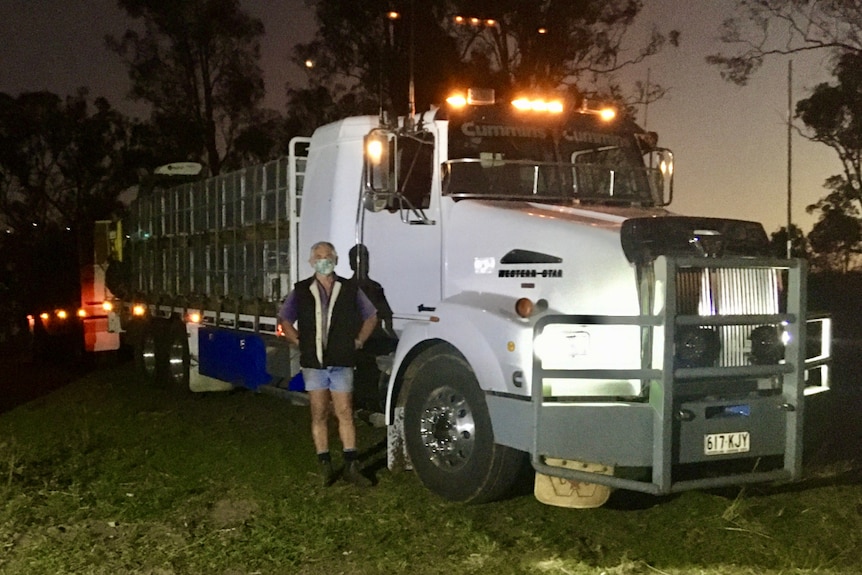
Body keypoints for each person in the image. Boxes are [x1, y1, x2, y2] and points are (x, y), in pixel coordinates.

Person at [279, 241, 378, 487]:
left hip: (342, 361)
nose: (324, 260)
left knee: (344, 412)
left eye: (328, 256)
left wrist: (358, 341)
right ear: (312, 262)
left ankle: (351, 464)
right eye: (319, 256)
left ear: (335, 260)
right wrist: (298, 341)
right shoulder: (301, 290)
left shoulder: (350, 288)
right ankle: (325, 464)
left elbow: (371, 316)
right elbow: (285, 318)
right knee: (319, 412)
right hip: (314, 363)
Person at [348, 244, 398, 412]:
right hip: (355, 338)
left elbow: (386, 315)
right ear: (351, 264)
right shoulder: (346, 288)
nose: (363, 264)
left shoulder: (375, 287)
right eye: (359, 260)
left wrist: (392, 336)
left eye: (365, 260)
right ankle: (362, 403)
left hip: (376, 337)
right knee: (363, 367)